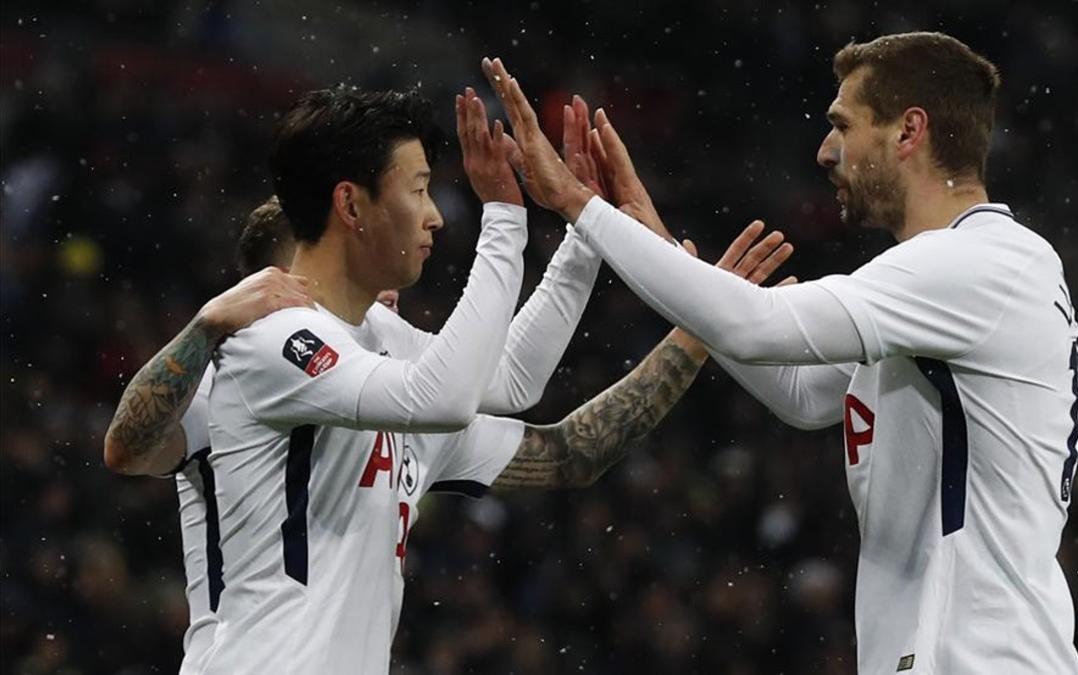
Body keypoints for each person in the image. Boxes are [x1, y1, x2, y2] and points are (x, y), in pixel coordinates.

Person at [483, 30, 1078, 674]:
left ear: (909, 132)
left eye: (843, 125)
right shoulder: (952, 285)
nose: (827, 151)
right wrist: (648, 235)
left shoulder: (977, 265)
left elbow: (756, 327)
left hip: (981, 657)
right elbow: (801, 395)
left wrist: (579, 206)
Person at [187, 83, 793, 675]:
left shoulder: (380, 351)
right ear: (350, 208)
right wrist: (503, 216)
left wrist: (587, 230)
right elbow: (124, 447)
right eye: (419, 191)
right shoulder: (269, 343)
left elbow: (512, 387)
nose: (434, 218)